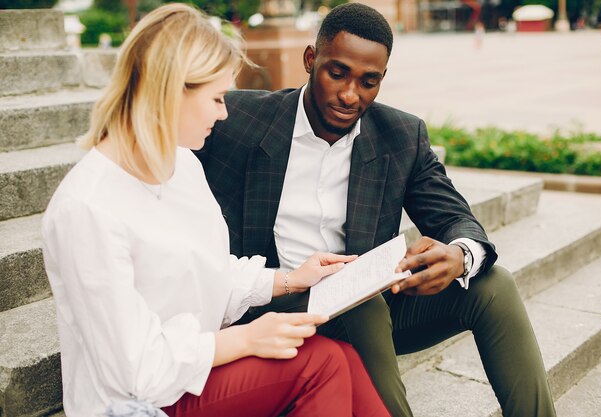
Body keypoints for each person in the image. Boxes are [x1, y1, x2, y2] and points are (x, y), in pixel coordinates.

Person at [196, 3, 556, 417]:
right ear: (311, 60)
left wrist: (460, 255)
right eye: (337, 73)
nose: (351, 95)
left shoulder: (401, 135)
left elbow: (456, 218)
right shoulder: (235, 119)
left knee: (494, 285)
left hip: (371, 310)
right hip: (273, 305)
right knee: (361, 302)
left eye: (369, 82)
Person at [41, 4, 392, 417]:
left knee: (345, 358)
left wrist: (291, 279)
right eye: (217, 98)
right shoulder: (87, 209)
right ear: (170, 91)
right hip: (141, 400)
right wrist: (246, 340)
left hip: (196, 369)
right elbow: (138, 371)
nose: (224, 113)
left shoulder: (181, 164)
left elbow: (209, 273)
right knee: (321, 363)